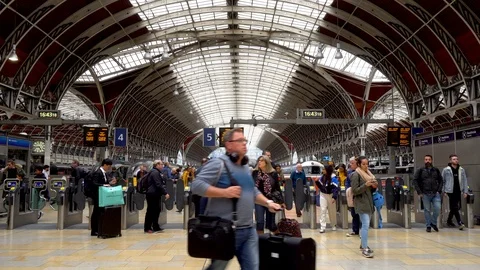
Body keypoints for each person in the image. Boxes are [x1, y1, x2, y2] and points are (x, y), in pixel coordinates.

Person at [191, 128, 281, 270]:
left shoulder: (245, 167)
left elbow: (252, 191)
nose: (244, 143)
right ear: (229, 145)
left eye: (245, 140)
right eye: (240, 141)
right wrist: (224, 192)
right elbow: (196, 185)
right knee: (217, 268)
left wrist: (268, 202)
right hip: (225, 230)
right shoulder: (218, 163)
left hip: (248, 229)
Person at [351, 156, 377, 258]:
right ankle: (365, 248)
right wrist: (366, 185)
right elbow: (355, 190)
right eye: (363, 164)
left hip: (369, 202)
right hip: (361, 203)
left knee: (366, 225)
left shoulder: (369, 174)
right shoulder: (356, 175)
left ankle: (363, 245)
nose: (366, 166)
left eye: (367, 164)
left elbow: (369, 191)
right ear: (359, 164)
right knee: (365, 225)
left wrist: (373, 187)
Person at [413, 155, 443, 233]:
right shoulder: (420, 170)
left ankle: (433, 222)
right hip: (425, 193)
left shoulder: (436, 170)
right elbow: (415, 180)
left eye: (429, 159)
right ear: (424, 161)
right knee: (427, 210)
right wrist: (419, 192)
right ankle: (428, 226)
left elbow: (441, 180)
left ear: (431, 160)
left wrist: (439, 190)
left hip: (435, 193)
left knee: (437, 208)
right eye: (426, 159)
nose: (427, 161)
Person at [252, 155, 281, 234]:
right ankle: (261, 242)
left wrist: (282, 201)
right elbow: (252, 186)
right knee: (259, 222)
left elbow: (277, 187)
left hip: (270, 200)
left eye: (261, 161)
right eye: (259, 160)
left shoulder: (273, 173)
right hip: (259, 201)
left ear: (266, 162)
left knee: (271, 224)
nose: (259, 162)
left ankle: (278, 239)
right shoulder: (255, 173)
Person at [90, 159, 115, 236]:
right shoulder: (98, 173)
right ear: (104, 165)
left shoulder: (104, 173)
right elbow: (94, 183)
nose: (109, 168)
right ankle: (94, 230)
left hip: (102, 196)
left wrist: (110, 183)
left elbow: (104, 183)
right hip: (97, 196)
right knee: (96, 213)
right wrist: (104, 185)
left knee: (101, 212)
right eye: (108, 166)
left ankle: (100, 228)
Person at [442, 154, 468, 230]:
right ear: (450, 161)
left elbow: (464, 181)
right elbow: (443, 181)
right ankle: (460, 222)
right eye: (454, 159)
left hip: (458, 190)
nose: (456, 160)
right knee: (455, 206)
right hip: (450, 191)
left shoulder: (461, 170)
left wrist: (465, 191)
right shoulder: (446, 170)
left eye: (456, 159)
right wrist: (444, 191)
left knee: (455, 207)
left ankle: (449, 220)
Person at [144, 160, 170, 233]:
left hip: (155, 194)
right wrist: (165, 193)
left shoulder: (156, 172)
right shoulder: (155, 173)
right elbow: (158, 184)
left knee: (156, 210)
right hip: (152, 194)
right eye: (161, 164)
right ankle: (147, 228)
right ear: (157, 165)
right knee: (151, 211)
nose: (162, 166)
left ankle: (155, 226)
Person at [316, 165, 339, 233]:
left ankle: (333, 225)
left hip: (331, 195)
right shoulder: (322, 177)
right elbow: (321, 187)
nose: (322, 170)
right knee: (323, 210)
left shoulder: (333, 177)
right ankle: (322, 227)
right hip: (323, 195)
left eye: (324, 169)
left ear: (327, 170)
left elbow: (336, 188)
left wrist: (334, 197)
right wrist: (317, 182)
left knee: (332, 211)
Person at [346, 156, 360, 237]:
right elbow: (347, 183)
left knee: (360, 214)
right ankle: (355, 230)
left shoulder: (361, 172)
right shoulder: (350, 173)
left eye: (352, 163)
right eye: (350, 163)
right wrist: (349, 190)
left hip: (359, 195)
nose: (351, 165)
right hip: (352, 195)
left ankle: (362, 230)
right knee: (354, 213)